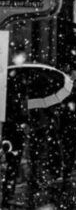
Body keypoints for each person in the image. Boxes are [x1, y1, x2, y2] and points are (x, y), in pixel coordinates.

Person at [2, 72, 28, 207]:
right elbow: (20, 117)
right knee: (12, 165)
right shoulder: (15, 100)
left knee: (11, 165)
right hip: (13, 135)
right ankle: (7, 194)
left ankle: (8, 193)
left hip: (11, 134)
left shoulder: (10, 98)